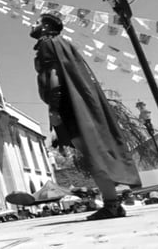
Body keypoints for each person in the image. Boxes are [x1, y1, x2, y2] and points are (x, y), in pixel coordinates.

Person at [31, 11, 140, 220]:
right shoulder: (62, 44)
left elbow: (54, 77)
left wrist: (54, 110)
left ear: (46, 27)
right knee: (94, 153)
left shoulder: (47, 43)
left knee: (92, 155)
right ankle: (113, 203)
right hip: (76, 104)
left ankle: (111, 205)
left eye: (37, 22)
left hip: (69, 107)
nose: (32, 25)